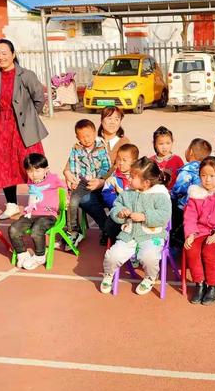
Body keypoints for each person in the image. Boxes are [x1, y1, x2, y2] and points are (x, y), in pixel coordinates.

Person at [0, 39, 48, 220]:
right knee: (5, 166)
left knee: (31, 162)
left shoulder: (26, 75)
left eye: (4, 53)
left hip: (24, 126)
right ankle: (12, 205)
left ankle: (36, 202)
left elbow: (39, 98)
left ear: (13, 54)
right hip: (2, 125)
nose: (1, 57)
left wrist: (29, 117)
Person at [100, 157, 171, 295]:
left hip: (152, 235)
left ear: (146, 183)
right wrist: (120, 213)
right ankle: (108, 274)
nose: (129, 179)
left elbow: (164, 216)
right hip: (129, 234)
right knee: (113, 255)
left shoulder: (160, 195)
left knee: (149, 257)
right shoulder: (127, 193)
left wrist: (145, 217)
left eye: (132, 177)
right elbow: (116, 206)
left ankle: (150, 277)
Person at [183, 156, 215, 305]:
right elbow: (190, 217)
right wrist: (190, 234)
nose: (207, 180)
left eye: (212, 176)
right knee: (191, 248)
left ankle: (213, 285)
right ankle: (199, 283)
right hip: (200, 232)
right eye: (203, 176)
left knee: (209, 249)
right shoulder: (196, 194)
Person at [8, 153, 65, 270]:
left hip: (48, 215)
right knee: (13, 229)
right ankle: (22, 254)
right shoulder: (30, 181)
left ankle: (40, 256)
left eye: (37, 171)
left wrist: (66, 199)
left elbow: (64, 187)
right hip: (31, 214)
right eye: (29, 171)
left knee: (36, 230)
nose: (33, 175)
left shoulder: (53, 178)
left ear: (46, 170)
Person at [66, 119, 111, 246]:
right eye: (82, 137)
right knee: (73, 200)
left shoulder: (101, 147)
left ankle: (107, 229)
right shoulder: (76, 149)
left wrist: (99, 179)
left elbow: (106, 166)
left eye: (88, 135)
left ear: (95, 132)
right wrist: (74, 179)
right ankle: (73, 231)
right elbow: (74, 164)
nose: (86, 139)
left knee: (104, 200)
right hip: (83, 182)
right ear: (77, 137)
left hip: (100, 181)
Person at [64, 106, 129, 182]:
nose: (112, 122)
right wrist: (67, 172)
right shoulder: (91, 138)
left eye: (117, 119)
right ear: (101, 120)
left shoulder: (124, 142)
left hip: (112, 183)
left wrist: (103, 181)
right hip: (86, 182)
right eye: (109, 118)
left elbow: (122, 166)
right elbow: (74, 157)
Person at [170, 138, 212, 249]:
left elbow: (178, 189)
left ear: (191, 152)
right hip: (204, 208)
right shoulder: (207, 170)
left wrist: (171, 195)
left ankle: (175, 244)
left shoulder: (187, 170)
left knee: (173, 215)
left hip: (186, 208)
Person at [102, 143, 139, 242]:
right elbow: (107, 193)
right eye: (119, 159)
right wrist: (119, 207)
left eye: (124, 160)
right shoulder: (113, 178)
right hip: (120, 211)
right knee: (110, 225)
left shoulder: (139, 177)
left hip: (136, 212)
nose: (120, 162)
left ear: (134, 162)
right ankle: (117, 241)